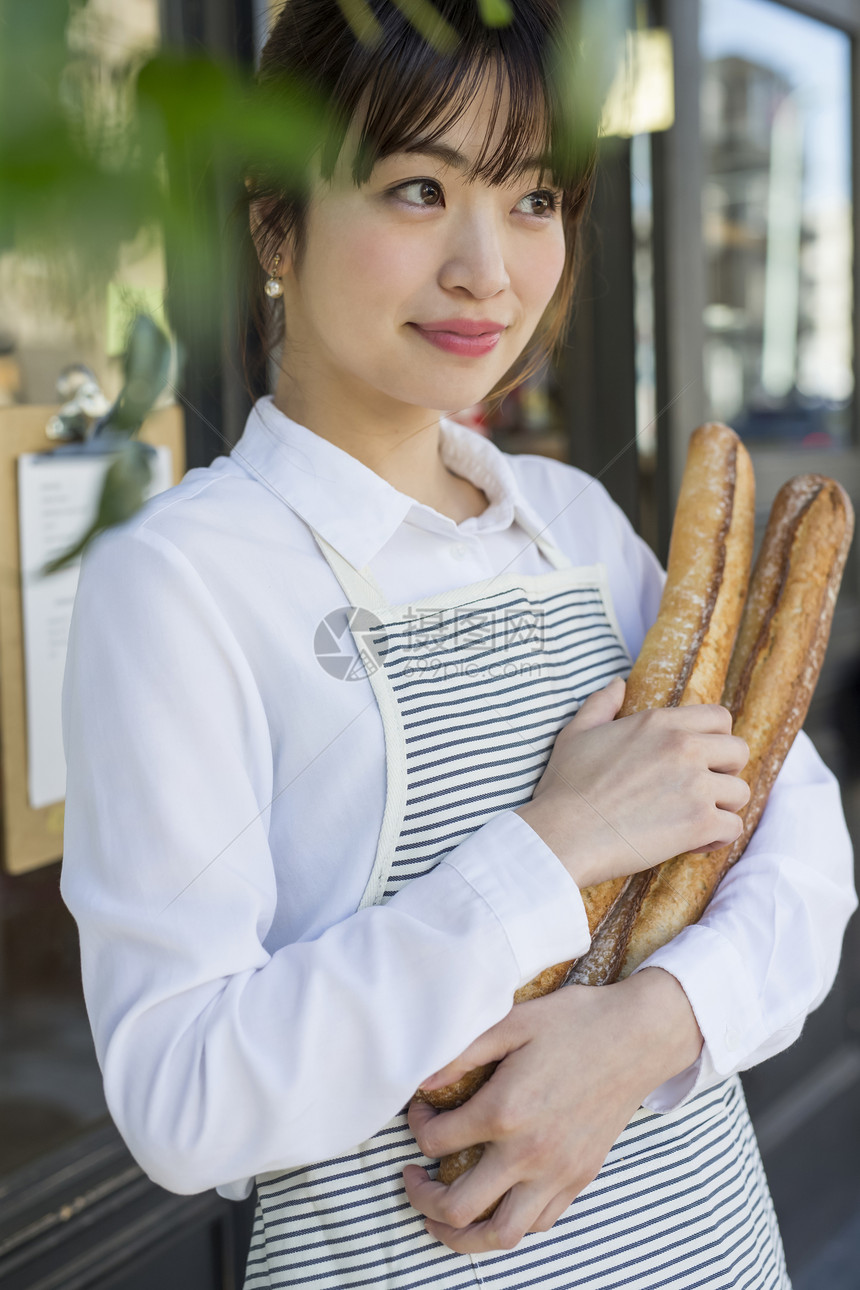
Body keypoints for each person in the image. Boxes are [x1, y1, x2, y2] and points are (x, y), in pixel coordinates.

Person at [59, 2, 856, 1287]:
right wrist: (551, 850)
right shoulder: (181, 583)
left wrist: (647, 1031)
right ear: (275, 219)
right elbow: (182, 1098)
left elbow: (797, 840)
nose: (489, 270)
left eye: (534, 197)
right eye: (419, 188)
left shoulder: (573, 525)